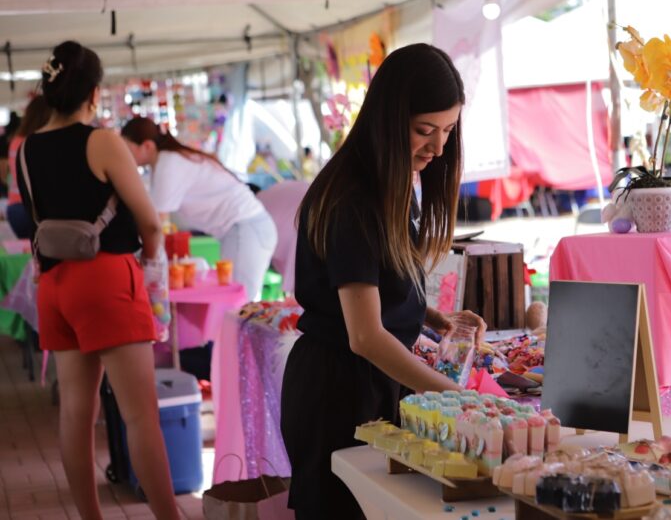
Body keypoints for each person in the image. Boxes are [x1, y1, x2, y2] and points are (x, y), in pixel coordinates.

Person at [281, 43, 486, 519]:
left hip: (369, 383)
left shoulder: (388, 179)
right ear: (389, 119)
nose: (438, 148)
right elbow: (366, 334)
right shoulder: (352, 197)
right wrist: (450, 394)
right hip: (339, 394)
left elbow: (378, 279)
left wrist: (430, 316)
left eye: (448, 131)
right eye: (424, 131)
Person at [18, 41, 179, 519]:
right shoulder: (101, 140)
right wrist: (151, 269)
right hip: (107, 279)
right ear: (93, 91)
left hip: (55, 287)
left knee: (74, 413)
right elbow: (149, 222)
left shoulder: (25, 150)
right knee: (139, 415)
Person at [122, 116, 278, 300]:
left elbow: (156, 223)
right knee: (238, 306)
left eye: (126, 148)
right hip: (246, 229)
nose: (122, 154)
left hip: (246, 229)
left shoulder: (168, 162)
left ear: (147, 146)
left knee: (239, 307)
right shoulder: (168, 160)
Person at [7, 95, 51, 239]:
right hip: (33, 209)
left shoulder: (16, 141)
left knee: (31, 254)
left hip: (15, 207)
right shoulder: (38, 142)